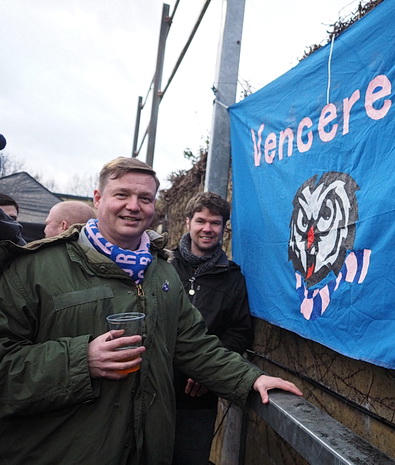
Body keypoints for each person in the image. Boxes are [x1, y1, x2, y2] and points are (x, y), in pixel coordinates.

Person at [0, 157, 302, 465]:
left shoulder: (161, 273)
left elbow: (195, 346)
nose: (134, 206)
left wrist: (252, 379)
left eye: (145, 198)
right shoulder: (34, 269)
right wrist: (81, 360)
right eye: (122, 195)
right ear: (98, 198)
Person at [170, 192, 254, 464]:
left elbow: (240, 332)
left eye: (215, 223)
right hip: (152, 388)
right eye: (201, 221)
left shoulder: (232, 278)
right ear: (188, 223)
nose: (207, 229)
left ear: (223, 228)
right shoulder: (162, 266)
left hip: (197, 398)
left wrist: (209, 371)